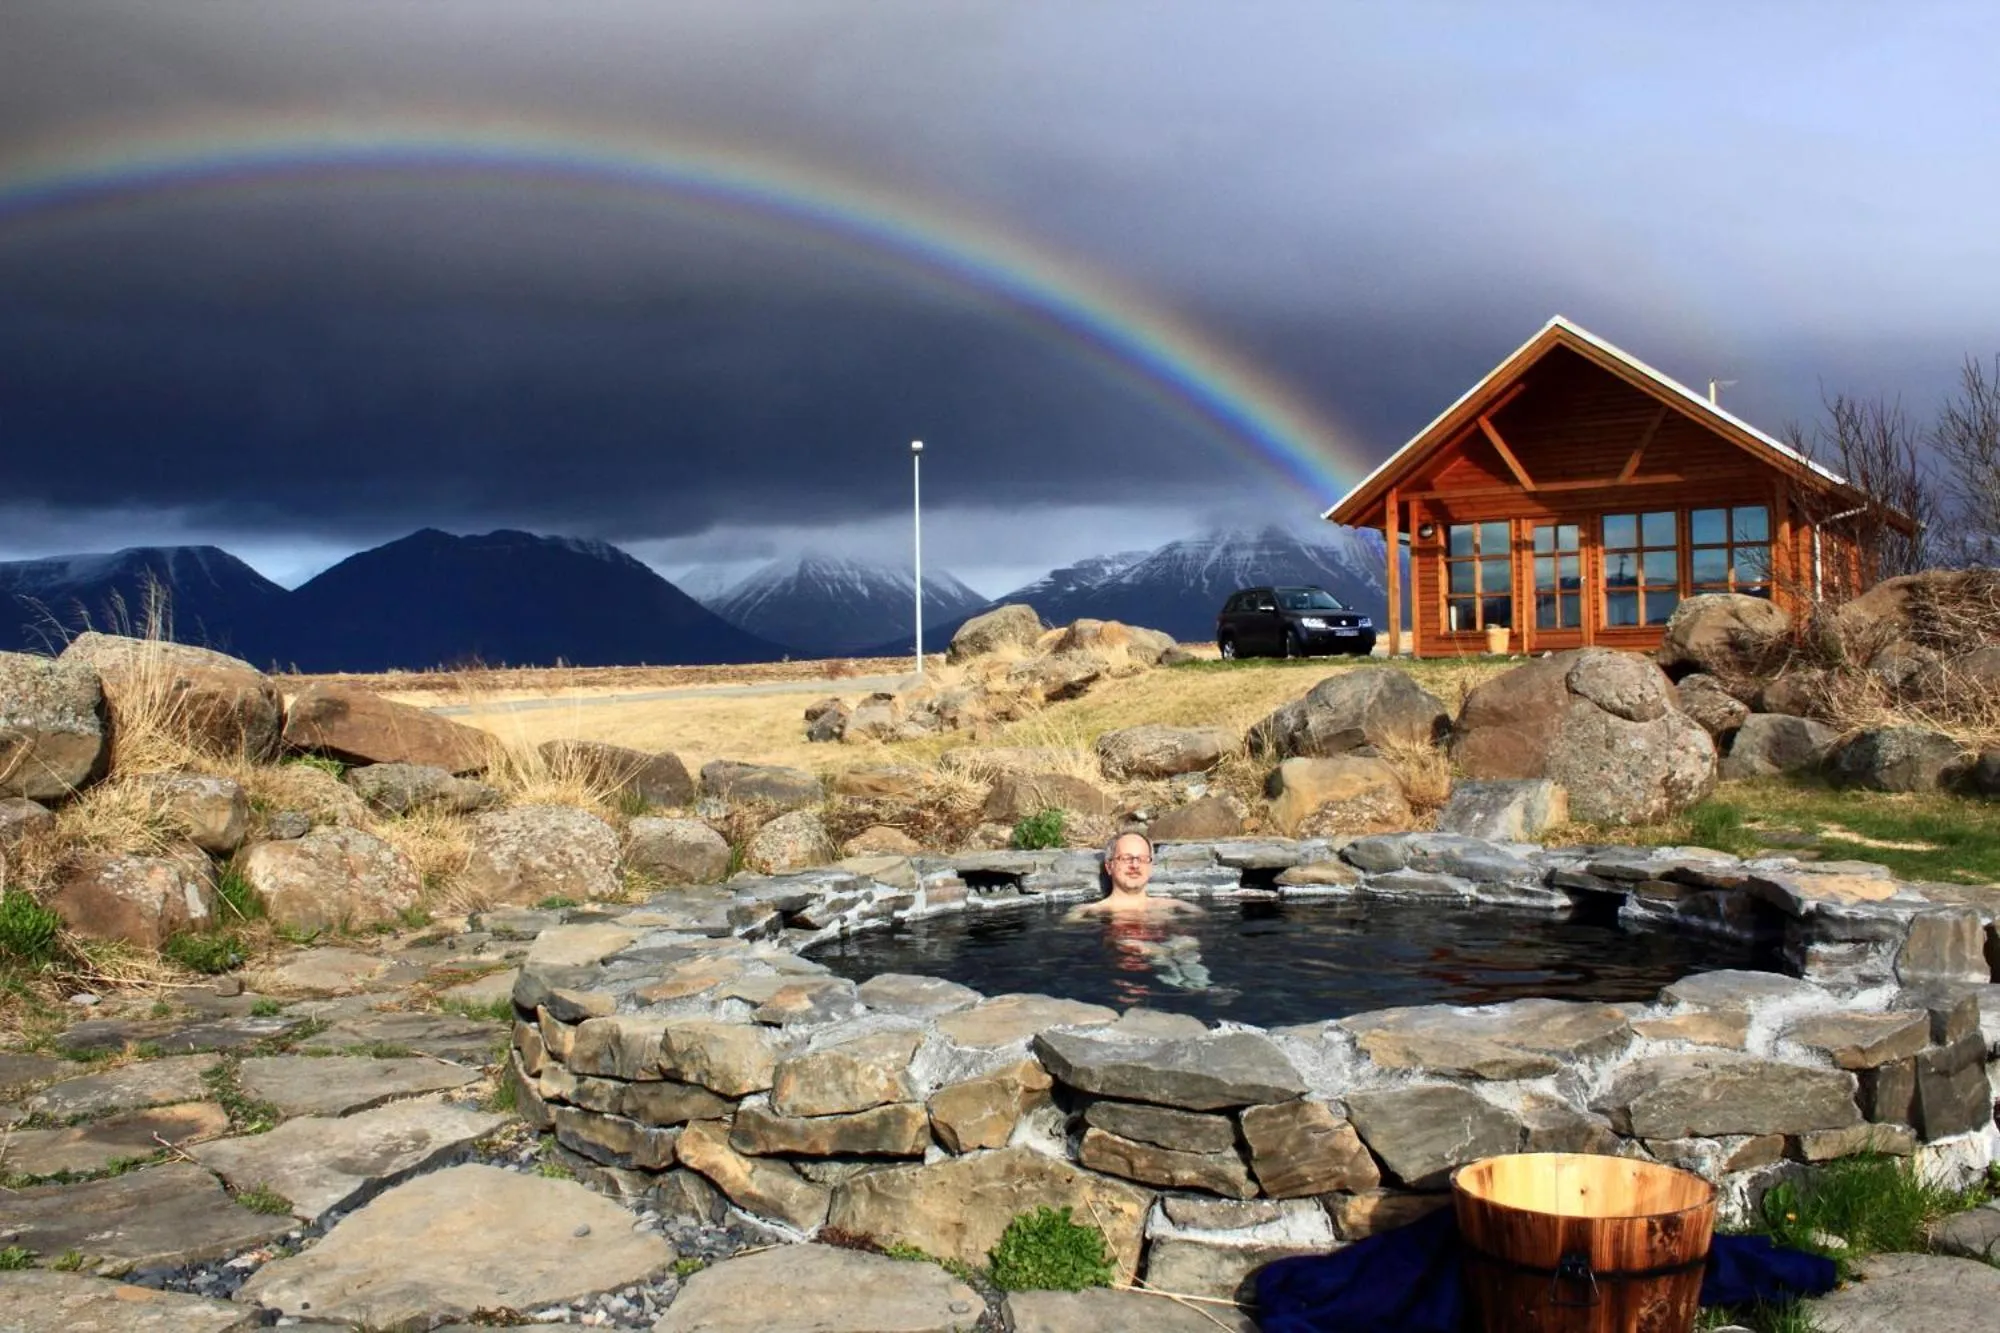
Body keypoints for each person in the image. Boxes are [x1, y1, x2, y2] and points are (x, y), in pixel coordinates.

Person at [1065, 831, 1200, 919]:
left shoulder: (1179, 907)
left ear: (1150, 866)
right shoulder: (1086, 914)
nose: (1135, 865)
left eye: (1142, 859)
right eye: (1126, 858)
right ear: (1109, 867)